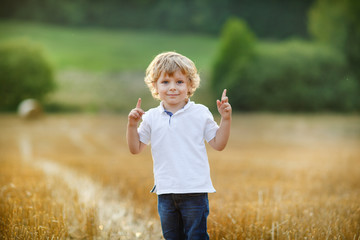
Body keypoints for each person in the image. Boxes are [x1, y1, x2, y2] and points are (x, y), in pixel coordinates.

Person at [126, 51, 231, 240]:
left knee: (196, 236)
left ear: (190, 85)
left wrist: (226, 119)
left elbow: (218, 144)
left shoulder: (200, 113)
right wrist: (132, 125)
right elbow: (135, 148)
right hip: (165, 191)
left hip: (194, 191)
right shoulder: (150, 117)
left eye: (179, 82)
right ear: (155, 86)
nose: (172, 87)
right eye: (165, 82)